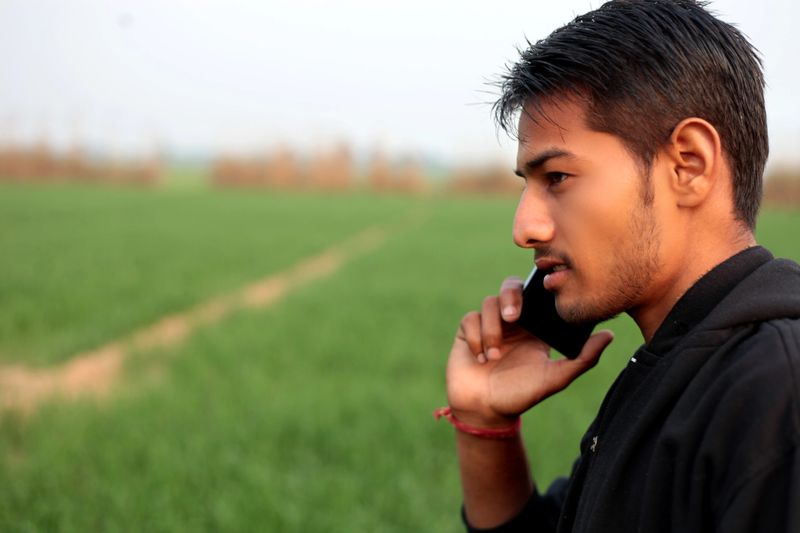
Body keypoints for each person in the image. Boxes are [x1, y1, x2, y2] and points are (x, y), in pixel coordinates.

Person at [440, 1, 800, 531]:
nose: (524, 228)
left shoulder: (775, 393)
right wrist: (484, 423)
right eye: (527, 184)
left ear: (689, 164)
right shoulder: (681, 364)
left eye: (557, 178)